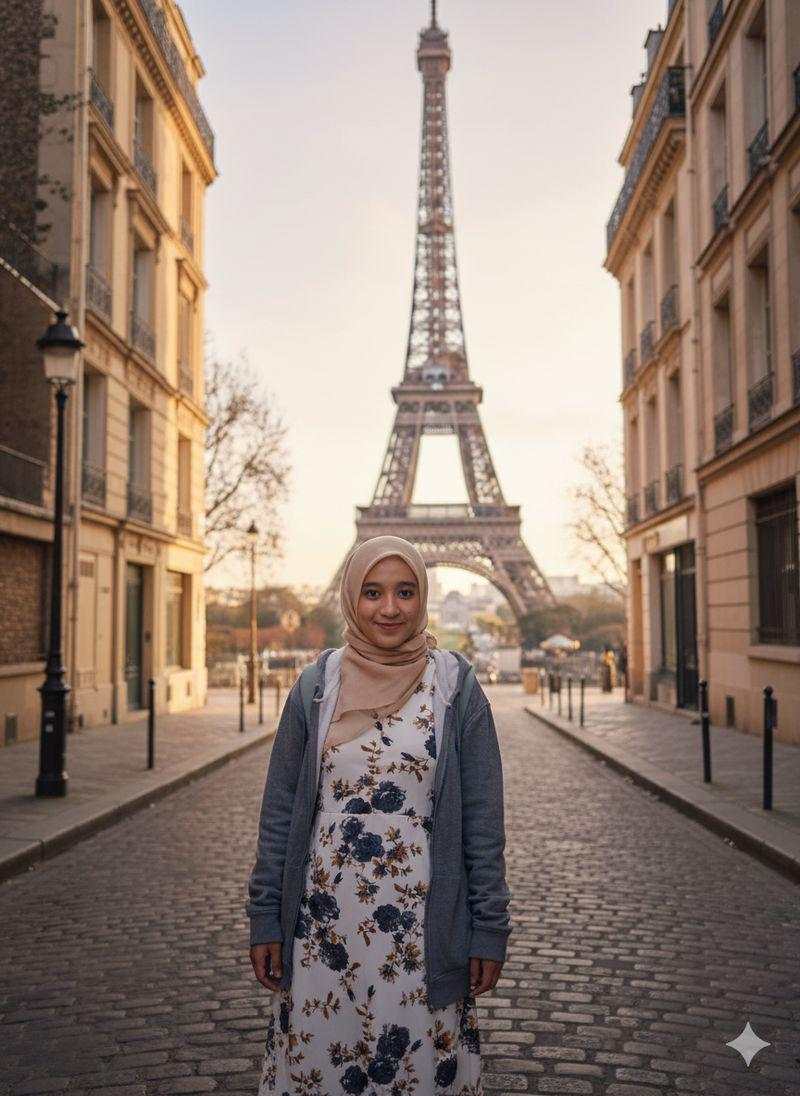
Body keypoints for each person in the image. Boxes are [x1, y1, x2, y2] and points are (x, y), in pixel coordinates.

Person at [246, 534, 512, 1094]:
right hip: (323, 930)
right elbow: (279, 815)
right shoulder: (317, 687)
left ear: (423, 598)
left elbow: (484, 823)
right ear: (351, 596)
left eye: (404, 592)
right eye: (372, 592)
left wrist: (488, 927)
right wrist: (266, 916)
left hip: (421, 935)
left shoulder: (456, 687)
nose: (389, 608)